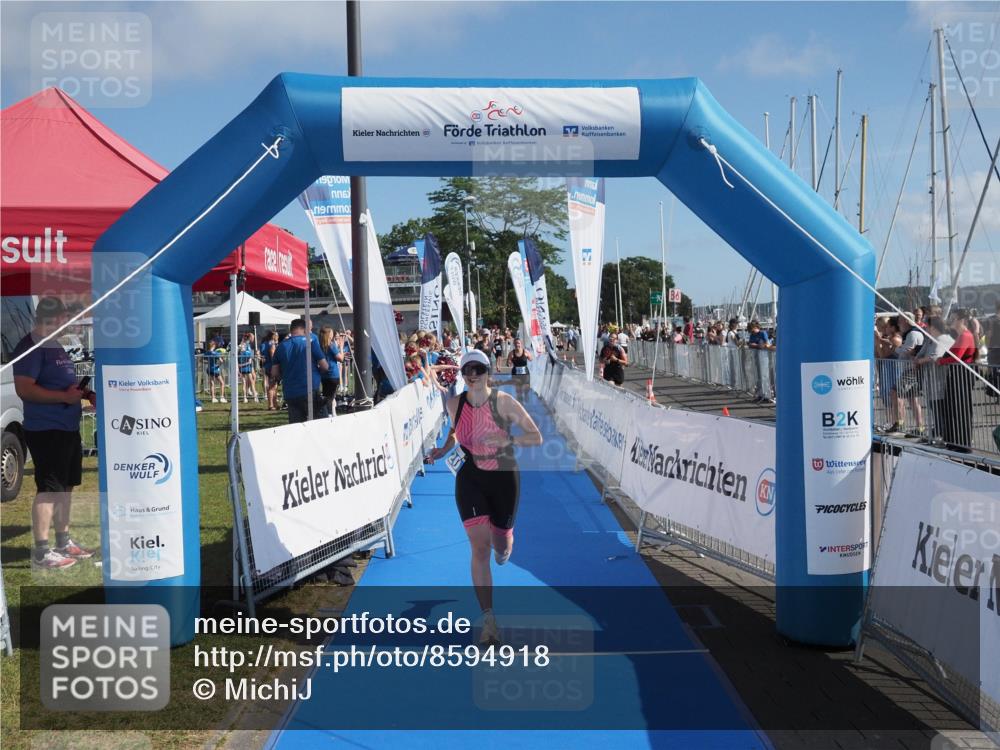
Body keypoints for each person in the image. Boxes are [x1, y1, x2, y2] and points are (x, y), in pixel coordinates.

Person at [424, 350, 543, 644]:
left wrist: (510, 439)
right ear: (462, 375)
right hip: (471, 477)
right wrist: (443, 449)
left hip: (504, 477)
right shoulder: (454, 403)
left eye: (478, 369)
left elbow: (536, 437)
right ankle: (489, 619)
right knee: (479, 547)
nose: (472, 375)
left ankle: (505, 544)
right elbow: (455, 431)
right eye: (467, 370)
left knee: (500, 546)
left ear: (488, 371)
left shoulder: (504, 402)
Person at [12, 297, 97, 569]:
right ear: (54, 317)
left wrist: (83, 393)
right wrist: (63, 396)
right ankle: (41, 551)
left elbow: (63, 384)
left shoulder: (54, 344)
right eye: (64, 318)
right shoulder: (31, 347)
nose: (67, 323)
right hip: (46, 429)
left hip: (67, 427)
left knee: (66, 487)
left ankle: (63, 541)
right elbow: (25, 389)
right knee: (48, 489)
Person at [271, 319, 329, 423]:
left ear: (291, 329)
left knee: (296, 427)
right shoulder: (310, 342)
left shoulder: (281, 346)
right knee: (321, 425)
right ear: (304, 329)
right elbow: (325, 366)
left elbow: (274, 373)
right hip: (310, 390)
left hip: (290, 393)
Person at [937, 309, 977, 453]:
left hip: (961, 376)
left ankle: (963, 443)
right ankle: (955, 440)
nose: (951, 321)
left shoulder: (965, 336)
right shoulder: (962, 336)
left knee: (961, 409)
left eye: (953, 318)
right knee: (954, 408)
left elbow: (957, 357)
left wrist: (941, 361)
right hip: (956, 375)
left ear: (961, 320)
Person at [318, 327, 343, 415]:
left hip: (324, 375)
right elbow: (340, 358)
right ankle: (330, 414)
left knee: (328, 395)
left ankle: (329, 412)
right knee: (331, 397)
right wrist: (341, 347)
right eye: (332, 333)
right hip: (332, 374)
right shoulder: (331, 345)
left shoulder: (319, 346)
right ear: (328, 335)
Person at [261, 330, 279, 411]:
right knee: (272, 386)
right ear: (273, 336)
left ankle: (275, 404)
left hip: (268, 366)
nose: (278, 337)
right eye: (277, 335)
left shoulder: (266, 343)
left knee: (274, 386)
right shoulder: (272, 343)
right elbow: (272, 354)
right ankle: (271, 405)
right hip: (272, 366)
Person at [238, 333, 258, 404]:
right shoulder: (242, 345)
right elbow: (242, 354)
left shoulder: (247, 345)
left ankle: (253, 397)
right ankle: (245, 397)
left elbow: (248, 354)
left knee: (251, 381)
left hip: (247, 366)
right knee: (244, 382)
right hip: (244, 365)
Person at [205, 339, 226, 403]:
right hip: (215, 370)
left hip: (209, 369)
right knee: (222, 383)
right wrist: (219, 365)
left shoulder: (207, 352)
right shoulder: (216, 353)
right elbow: (221, 361)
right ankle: (222, 397)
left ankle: (213, 398)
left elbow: (203, 360)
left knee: (212, 384)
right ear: (214, 345)